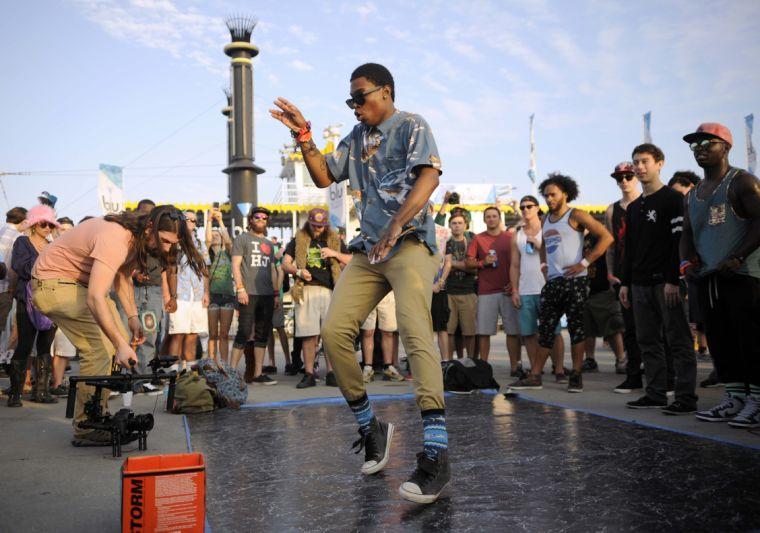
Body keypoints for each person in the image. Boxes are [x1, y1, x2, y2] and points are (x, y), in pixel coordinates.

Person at [270, 62, 451, 503]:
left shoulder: (411, 126)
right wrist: (305, 137)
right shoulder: (356, 138)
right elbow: (323, 176)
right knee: (333, 334)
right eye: (349, 100)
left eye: (361, 97)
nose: (354, 106)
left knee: (412, 328)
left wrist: (397, 225)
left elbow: (429, 176)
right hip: (369, 251)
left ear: (386, 92)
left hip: (408, 244)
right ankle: (371, 427)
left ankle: (436, 453)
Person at [32, 206, 205, 444]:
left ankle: (98, 414)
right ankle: (86, 425)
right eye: (164, 240)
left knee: (119, 339)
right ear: (149, 228)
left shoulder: (135, 239)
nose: (166, 248)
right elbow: (95, 296)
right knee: (100, 349)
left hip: (72, 284)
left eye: (172, 243)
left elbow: (122, 277)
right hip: (55, 283)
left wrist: (133, 319)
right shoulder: (116, 236)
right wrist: (118, 343)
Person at [680, 123, 760, 427]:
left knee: (750, 340)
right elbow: (686, 235)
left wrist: (738, 255)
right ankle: (735, 397)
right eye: (695, 145)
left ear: (726, 147)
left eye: (707, 143)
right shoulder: (692, 195)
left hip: (745, 276)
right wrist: (687, 263)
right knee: (721, 341)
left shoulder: (742, 182)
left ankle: (757, 401)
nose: (700, 149)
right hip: (709, 277)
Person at [509, 174, 613, 393]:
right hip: (554, 283)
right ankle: (535, 375)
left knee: (576, 329)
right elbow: (545, 244)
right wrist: (545, 266)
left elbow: (606, 237)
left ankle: (576, 375)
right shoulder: (546, 219)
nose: (549, 199)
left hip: (575, 281)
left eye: (553, 194)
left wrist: (583, 262)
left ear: (565, 193)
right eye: (546, 195)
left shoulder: (576, 215)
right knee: (545, 329)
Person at [619, 144, 697, 414]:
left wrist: (674, 279)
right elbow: (629, 249)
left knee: (678, 340)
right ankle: (655, 393)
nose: (639, 167)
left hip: (666, 284)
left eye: (645, 162)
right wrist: (625, 283)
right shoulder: (634, 207)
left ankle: (686, 397)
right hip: (639, 285)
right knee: (647, 341)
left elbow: (680, 242)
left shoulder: (673, 199)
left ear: (660, 163)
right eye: (636, 162)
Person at [282, 208, 351, 388]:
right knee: (308, 336)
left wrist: (334, 253)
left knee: (328, 335)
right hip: (306, 289)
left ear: (326, 224)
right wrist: (298, 271)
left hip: (330, 291)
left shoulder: (334, 239)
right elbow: (284, 264)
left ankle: (330, 373)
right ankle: (309, 373)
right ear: (309, 223)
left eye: (321, 226)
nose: (318, 229)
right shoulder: (299, 239)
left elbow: (351, 260)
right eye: (314, 225)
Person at [509, 195, 566, 383]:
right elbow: (514, 265)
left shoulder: (548, 228)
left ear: (537, 208)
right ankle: (536, 370)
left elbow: (558, 255)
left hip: (547, 287)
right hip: (525, 289)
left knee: (554, 331)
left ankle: (559, 370)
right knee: (528, 333)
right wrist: (515, 290)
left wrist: (538, 243)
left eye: (529, 206)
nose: (525, 210)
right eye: (522, 207)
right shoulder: (517, 234)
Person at [7, 205, 59, 407]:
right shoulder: (22, 242)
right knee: (25, 345)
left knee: (45, 346)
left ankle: (42, 391)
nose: (47, 228)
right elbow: (21, 267)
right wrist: (45, 260)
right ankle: (15, 393)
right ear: (34, 225)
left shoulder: (53, 245)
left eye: (50, 225)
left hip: (51, 300)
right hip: (26, 299)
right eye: (43, 224)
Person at [605, 162, 645, 394]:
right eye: (619, 178)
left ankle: (662, 374)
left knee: (654, 328)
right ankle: (633, 373)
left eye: (628, 176)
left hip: (648, 272)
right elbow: (610, 246)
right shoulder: (612, 210)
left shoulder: (647, 203)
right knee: (629, 328)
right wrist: (610, 273)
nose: (624, 181)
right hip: (622, 276)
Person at [229, 207, 280, 385]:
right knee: (243, 333)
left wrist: (275, 294)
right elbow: (235, 265)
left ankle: (258, 374)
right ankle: (231, 373)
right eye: (257, 217)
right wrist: (240, 288)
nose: (261, 220)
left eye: (264, 218)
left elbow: (272, 269)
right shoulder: (242, 239)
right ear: (251, 219)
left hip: (266, 294)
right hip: (248, 293)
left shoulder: (269, 243)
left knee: (262, 334)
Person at [466, 206, 522, 369]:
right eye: (488, 216)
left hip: (508, 291)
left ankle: (514, 367)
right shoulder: (477, 238)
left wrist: (514, 284)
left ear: (500, 218)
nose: (491, 219)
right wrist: (483, 263)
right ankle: (483, 367)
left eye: (494, 216)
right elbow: (468, 262)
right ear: (484, 220)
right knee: (484, 332)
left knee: (512, 332)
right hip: (486, 291)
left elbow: (518, 263)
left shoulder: (510, 237)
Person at [167, 211, 210, 371]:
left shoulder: (200, 244)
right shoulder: (174, 241)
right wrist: (171, 296)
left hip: (198, 295)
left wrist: (206, 293)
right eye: (188, 219)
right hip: (180, 294)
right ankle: (173, 373)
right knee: (178, 334)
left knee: (193, 334)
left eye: (194, 220)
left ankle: (189, 373)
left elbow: (205, 270)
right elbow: (170, 270)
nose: (191, 222)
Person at [581, 231, 626, 374]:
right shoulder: (577, 240)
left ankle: (621, 360)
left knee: (612, 326)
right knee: (587, 328)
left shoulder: (601, 236)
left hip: (603, 288)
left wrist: (611, 276)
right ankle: (590, 360)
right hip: (585, 288)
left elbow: (612, 255)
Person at [205, 207, 236, 365]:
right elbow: (207, 239)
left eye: (219, 234)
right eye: (214, 234)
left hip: (227, 296)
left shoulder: (229, 253)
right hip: (213, 296)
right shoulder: (208, 254)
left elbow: (229, 241)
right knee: (212, 334)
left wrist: (221, 221)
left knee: (224, 334)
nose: (216, 236)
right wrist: (209, 220)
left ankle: (223, 364)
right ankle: (211, 363)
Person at [444, 212, 477, 358]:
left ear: (465, 225)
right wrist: (463, 265)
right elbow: (441, 265)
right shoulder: (445, 242)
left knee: (469, 331)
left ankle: (470, 361)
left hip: (468, 291)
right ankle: (450, 361)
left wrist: (452, 264)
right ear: (450, 225)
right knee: (449, 331)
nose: (457, 226)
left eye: (460, 223)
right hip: (449, 291)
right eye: (454, 223)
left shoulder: (472, 241)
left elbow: (474, 267)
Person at [0, 207, 27, 358]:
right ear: (22, 222)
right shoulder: (18, 237)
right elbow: (14, 268)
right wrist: (12, 288)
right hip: (4, 288)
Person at [360, 293, 404, 382]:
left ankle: (388, 366)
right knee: (368, 332)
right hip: (368, 292)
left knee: (388, 332)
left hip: (387, 293)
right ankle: (368, 367)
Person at [265, 236, 292, 374]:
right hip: (265, 294)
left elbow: (281, 271)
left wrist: (277, 293)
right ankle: (271, 362)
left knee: (280, 328)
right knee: (269, 329)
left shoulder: (274, 249)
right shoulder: (262, 248)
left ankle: (288, 361)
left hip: (276, 295)